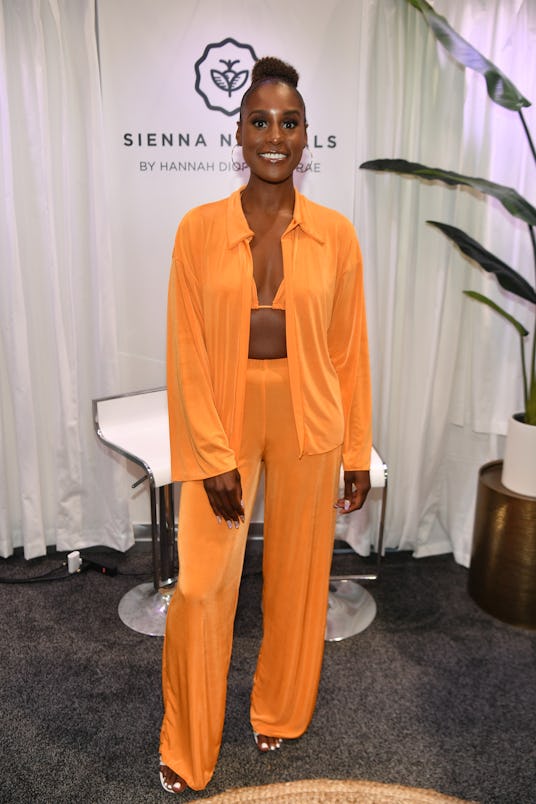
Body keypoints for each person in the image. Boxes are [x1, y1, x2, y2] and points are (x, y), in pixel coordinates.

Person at [159, 56, 372, 794]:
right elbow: (184, 347)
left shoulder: (337, 236)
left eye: (289, 122)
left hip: (312, 413)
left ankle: (279, 712)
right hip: (222, 411)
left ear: (306, 136)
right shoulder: (197, 229)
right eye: (260, 121)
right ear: (239, 133)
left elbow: (349, 350)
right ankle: (187, 746)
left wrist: (356, 448)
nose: (274, 135)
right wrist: (211, 451)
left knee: (298, 578)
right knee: (200, 587)